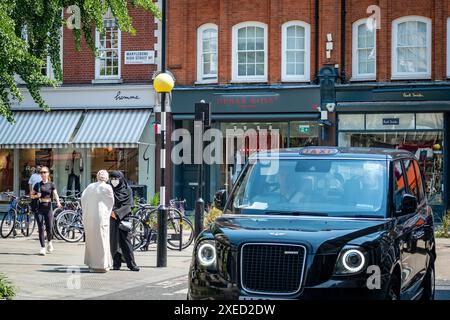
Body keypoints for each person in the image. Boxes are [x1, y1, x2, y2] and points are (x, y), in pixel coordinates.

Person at [81, 170, 114, 273]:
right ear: (107, 178)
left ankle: (91, 264)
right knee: (102, 240)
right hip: (101, 217)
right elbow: (110, 202)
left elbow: (83, 199)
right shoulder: (107, 187)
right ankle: (102, 265)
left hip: (89, 217)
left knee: (91, 242)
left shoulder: (90, 186)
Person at [109, 171, 139, 271]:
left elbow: (128, 204)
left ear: (121, 179)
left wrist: (116, 213)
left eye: (116, 179)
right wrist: (111, 211)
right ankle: (116, 264)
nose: (114, 181)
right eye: (112, 178)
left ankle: (131, 264)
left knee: (126, 242)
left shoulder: (127, 190)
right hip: (112, 218)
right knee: (114, 242)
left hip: (123, 218)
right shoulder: (109, 188)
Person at [30, 166, 62, 256]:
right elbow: (31, 196)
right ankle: (43, 247)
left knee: (49, 227)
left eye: (44, 172)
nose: (43, 174)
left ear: (48, 173)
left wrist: (58, 202)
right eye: (41, 173)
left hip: (48, 207)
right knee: (40, 227)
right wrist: (37, 196)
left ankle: (50, 241)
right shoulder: (37, 184)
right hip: (39, 208)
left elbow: (55, 194)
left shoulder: (51, 184)